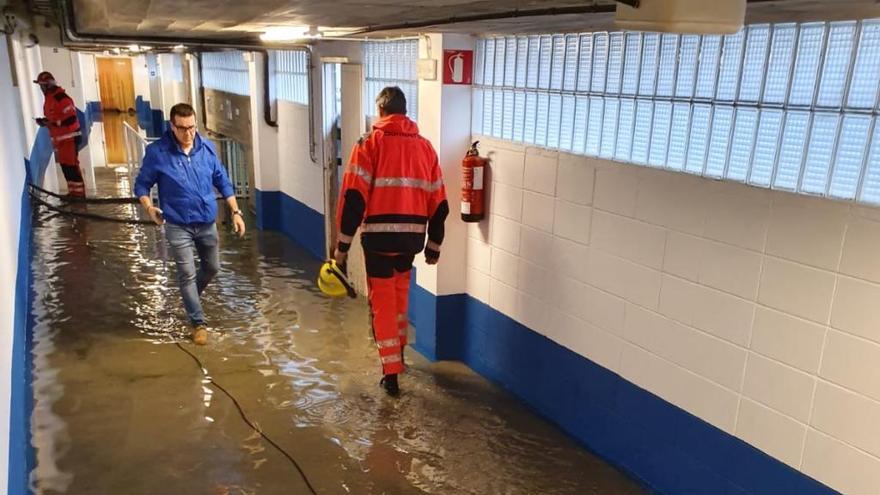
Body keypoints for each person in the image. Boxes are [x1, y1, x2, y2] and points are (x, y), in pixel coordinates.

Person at [334, 87, 449, 396]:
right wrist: (433, 247)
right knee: (400, 298)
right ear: (404, 111)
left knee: (382, 304)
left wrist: (341, 249)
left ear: (381, 110)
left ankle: (391, 374)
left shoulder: (369, 144)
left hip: (379, 240)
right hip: (411, 240)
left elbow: (353, 199)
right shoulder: (426, 148)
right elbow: (440, 203)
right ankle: (399, 354)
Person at [134, 103, 246, 345]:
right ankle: (198, 323)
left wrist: (236, 211)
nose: (188, 134)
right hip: (177, 224)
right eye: (183, 128)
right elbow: (141, 185)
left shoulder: (207, 148)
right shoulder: (157, 153)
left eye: (192, 128)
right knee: (186, 274)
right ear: (172, 127)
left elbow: (222, 180)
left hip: (206, 221)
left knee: (213, 267)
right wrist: (149, 207)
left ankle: (190, 296)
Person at [34, 71, 85, 197]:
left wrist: (53, 123)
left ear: (48, 85)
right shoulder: (49, 99)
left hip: (70, 138)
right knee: (65, 167)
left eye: (42, 86)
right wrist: (45, 122)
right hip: (61, 140)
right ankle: (73, 193)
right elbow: (54, 118)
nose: (41, 88)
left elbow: (71, 119)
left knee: (72, 167)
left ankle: (80, 197)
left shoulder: (61, 98)